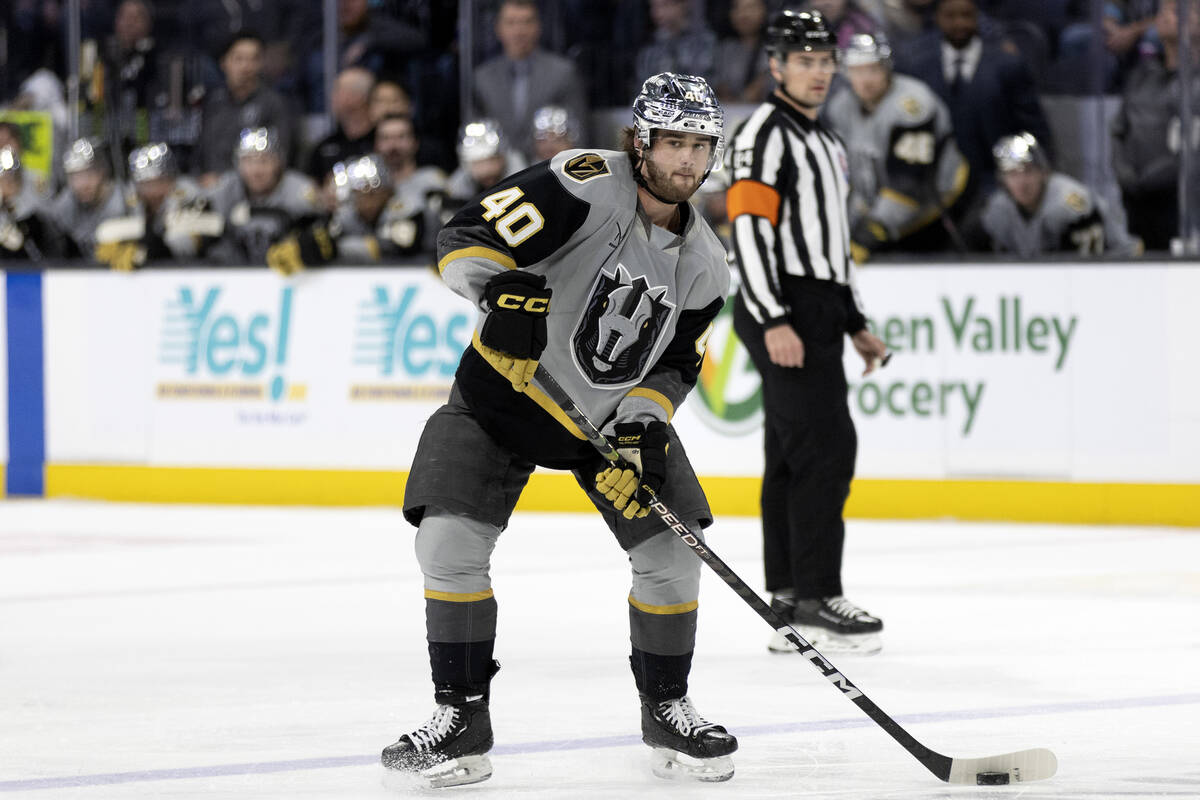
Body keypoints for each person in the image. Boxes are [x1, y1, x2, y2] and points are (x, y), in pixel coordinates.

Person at [381, 72, 738, 788]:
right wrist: (494, 292)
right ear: (639, 142)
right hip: (499, 396)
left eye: (701, 146)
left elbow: (674, 363)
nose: (688, 162)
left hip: (601, 426)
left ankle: (667, 707)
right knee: (448, 543)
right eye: (674, 143)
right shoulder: (583, 182)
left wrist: (642, 428)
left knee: (673, 556)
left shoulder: (707, 265)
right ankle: (460, 717)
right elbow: (465, 235)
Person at [725, 11, 889, 656]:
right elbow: (749, 231)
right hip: (782, 305)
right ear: (776, 65)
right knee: (827, 447)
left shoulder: (825, 139)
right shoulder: (763, 134)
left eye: (826, 61)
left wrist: (855, 322)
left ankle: (790, 598)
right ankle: (817, 595)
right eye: (805, 61)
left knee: (792, 455)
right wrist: (773, 319)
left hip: (815, 305)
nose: (819, 73)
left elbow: (831, 248)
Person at [824, 32, 969, 259]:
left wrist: (868, 233)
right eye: (857, 71)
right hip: (882, 208)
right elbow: (845, 174)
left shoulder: (913, 104)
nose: (866, 80)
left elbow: (909, 184)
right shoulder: (840, 107)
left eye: (873, 69)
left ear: (887, 68)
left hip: (937, 209)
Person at [899, 0, 1052, 203]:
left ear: (977, 16)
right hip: (936, 187)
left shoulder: (1008, 65)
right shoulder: (918, 67)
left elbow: (1033, 126)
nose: (959, 23)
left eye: (966, 15)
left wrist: (1036, 173)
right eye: (950, 16)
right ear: (937, 18)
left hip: (997, 185)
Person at [1110, 0, 1200, 251]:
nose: (1163, 17)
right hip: (1138, 200)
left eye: (1175, 11)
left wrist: (1158, 176)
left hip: (1184, 202)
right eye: (1162, 11)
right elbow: (1118, 130)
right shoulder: (1142, 75)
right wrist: (1125, 172)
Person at [971, 132, 1141, 256]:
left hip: (1119, 270)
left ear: (1044, 172)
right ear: (1003, 180)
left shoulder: (1070, 201)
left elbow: (1086, 268)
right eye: (1012, 174)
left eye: (1028, 171)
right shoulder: (998, 209)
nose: (1021, 182)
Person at [471, 0, 589, 162]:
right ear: (498, 28)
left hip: (548, 168)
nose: (519, 31)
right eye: (511, 22)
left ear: (538, 27)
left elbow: (579, 135)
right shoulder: (482, 78)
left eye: (526, 22)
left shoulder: (563, 72)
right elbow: (473, 136)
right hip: (498, 172)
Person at [207, 127, 324, 267]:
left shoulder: (300, 190)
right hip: (234, 273)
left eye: (264, 161)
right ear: (237, 164)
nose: (256, 170)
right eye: (248, 161)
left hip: (288, 273)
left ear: (278, 163)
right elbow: (200, 224)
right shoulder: (225, 190)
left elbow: (323, 230)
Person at [195, 32, 297, 185]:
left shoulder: (274, 104)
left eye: (254, 59)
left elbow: (280, 157)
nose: (246, 67)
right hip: (211, 185)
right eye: (239, 59)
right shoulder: (213, 103)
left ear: (261, 64)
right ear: (224, 63)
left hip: (254, 188)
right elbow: (200, 154)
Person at [49, 138, 139, 262]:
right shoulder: (66, 204)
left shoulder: (124, 200)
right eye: (75, 177)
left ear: (103, 171)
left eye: (89, 174)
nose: (82, 184)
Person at [372, 114, 447, 253]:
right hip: (370, 268)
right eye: (386, 138)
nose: (393, 145)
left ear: (415, 142)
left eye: (401, 137)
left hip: (423, 264)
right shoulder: (366, 187)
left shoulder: (432, 181)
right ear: (376, 145)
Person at [305, 67, 377, 183]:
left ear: (358, 97)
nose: (332, 97)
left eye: (338, 90)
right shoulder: (323, 147)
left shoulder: (381, 142)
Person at [443, 119, 526, 218]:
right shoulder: (458, 186)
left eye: (490, 159)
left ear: (503, 157)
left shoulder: (521, 176)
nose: (485, 169)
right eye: (477, 162)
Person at [0, 147, 58, 262]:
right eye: (4, 179)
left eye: (12, 178)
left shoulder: (34, 207)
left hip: (35, 259)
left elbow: (49, 225)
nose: (9, 183)